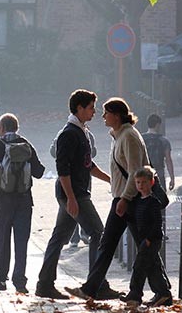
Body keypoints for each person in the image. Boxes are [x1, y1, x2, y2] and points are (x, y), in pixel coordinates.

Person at [67, 97, 172, 304]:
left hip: (128, 199)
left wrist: (124, 199)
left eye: (106, 112)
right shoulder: (120, 135)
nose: (103, 116)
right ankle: (160, 292)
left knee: (118, 245)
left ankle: (93, 288)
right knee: (124, 245)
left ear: (116, 115)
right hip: (124, 197)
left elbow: (135, 171)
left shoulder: (129, 137)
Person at [35, 90, 119, 300]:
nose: (94, 112)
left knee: (60, 237)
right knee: (98, 233)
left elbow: (87, 165)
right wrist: (71, 198)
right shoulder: (69, 133)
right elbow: (63, 169)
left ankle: (45, 284)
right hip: (74, 193)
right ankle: (96, 284)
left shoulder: (81, 131)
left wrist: (111, 179)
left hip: (76, 192)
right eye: (91, 107)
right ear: (79, 108)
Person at [0, 113, 46, 294]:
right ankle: (20, 281)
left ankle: (0, 278)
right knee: (22, 241)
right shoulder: (26, 145)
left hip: (3, 201)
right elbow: (39, 172)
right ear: (16, 128)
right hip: (24, 201)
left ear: (2, 128)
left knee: (2, 238)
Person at [122, 166, 173, 307]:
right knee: (153, 267)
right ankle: (163, 294)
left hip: (152, 240)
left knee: (139, 266)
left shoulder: (153, 202)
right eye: (138, 182)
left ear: (151, 182)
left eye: (144, 182)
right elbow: (135, 219)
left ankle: (134, 294)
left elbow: (157, 224)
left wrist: (149, 239)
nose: (141, 185)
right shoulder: (138, 201)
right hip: (145, 240)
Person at [143, 114, 175, 191]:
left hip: (143, 173)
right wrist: (172, 178)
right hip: (159, 172)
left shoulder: (141, 139)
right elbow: (168, 160)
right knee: (161, 197)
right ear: (158, 125)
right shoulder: (164, 141)